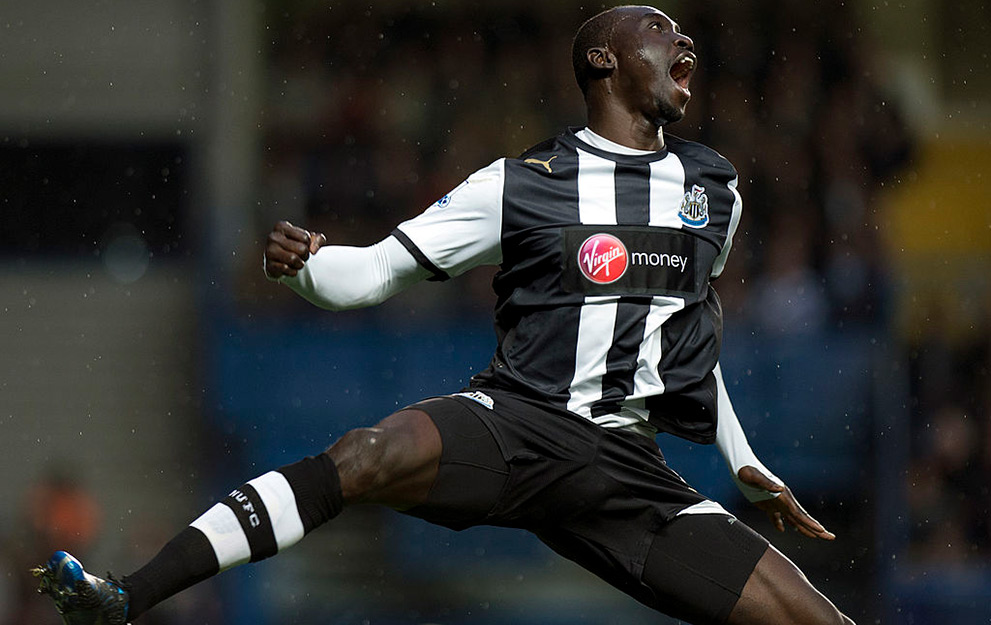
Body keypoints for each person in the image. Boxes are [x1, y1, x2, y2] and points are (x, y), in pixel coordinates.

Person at [34, 6, 855, 624]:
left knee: (812, 617)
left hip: (626, 471)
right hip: (517, 423)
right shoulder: (519, 182)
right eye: (659, 30)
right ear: (603, 60)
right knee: (360, 456)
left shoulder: (715, 190)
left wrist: (743, 457)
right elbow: (371, 275)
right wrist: (306, 269)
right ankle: (124, 597)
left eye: (685, 35)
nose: (685, 44)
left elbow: (688, 338)